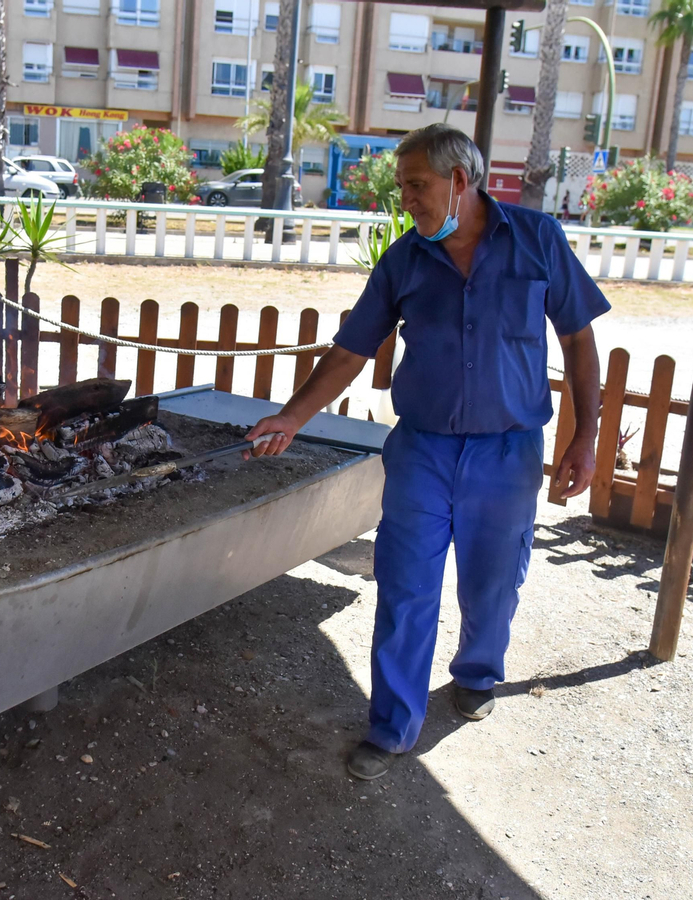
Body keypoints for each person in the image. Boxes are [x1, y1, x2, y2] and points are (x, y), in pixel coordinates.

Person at [245, 123, 608, 781]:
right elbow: (352, 350)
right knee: (406, 588)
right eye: (404, 186)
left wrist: (586, 436)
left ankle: (477, 673)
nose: (406, 199)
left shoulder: (538, 240)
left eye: (417, 185)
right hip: (422, 453)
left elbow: (579, 339)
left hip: (509, 452)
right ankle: (391, 728)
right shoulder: (405, 259)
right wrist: (294, 416)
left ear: (460, 181)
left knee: (494, 582)